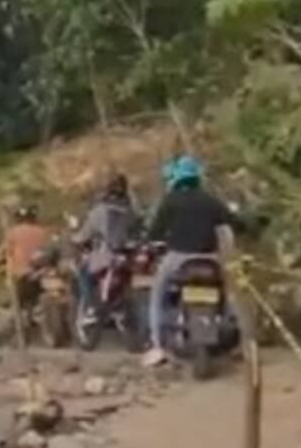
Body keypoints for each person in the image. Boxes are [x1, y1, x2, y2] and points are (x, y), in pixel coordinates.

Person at [141, 155, 244, 366]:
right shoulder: (210, 200)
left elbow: (154, 232)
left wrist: (151, 242)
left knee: (157, 296)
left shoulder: (171, 200)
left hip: (178, 259)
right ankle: (240, 342)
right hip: (210, 259)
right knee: (230, 295)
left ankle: (157, 345)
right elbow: (235, 222)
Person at [71, 174, 140, 319]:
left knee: (82, 272)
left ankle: (91, 306)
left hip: (107, 257)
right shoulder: (132, 211)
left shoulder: (100, 211)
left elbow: (84, 235)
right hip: (128, 258)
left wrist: (75, 239)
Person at [5, 205, 53, 313]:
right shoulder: (43, 231)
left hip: (22, 273)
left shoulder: (13, 233)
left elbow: (5, 253)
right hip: (43, 272)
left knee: (20, 302)